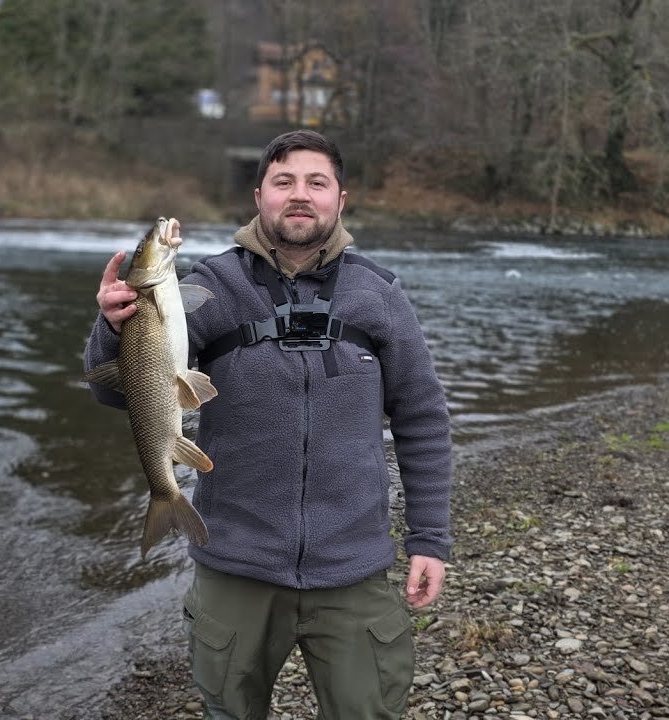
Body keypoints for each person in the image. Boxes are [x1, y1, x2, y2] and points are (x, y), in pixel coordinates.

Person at [85, 130, 452, 719]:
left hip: (352, 569)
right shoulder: (207, 285)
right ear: (260, 195)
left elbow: (423, 418)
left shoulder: (378, 294)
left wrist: (430, 539)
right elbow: (118, 393)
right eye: (284, 182)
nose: (299, 195)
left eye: (316, 183)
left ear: (341, 198)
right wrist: (115, 323)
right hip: (236, 565)